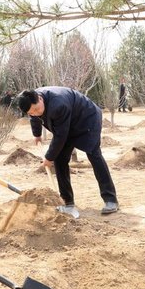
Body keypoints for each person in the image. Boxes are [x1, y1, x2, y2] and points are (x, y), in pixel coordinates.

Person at [17, 87, 119, 218]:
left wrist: (48, 157)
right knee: (60, 159)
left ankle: (110, 199)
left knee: (94, 155)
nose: (36, 113)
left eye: (37, 109)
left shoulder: (58, 104)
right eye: (32, 112)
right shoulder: (32, 102)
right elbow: (35, 118)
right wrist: (36, 134)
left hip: (86, 119)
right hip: (67, 124)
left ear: (40, 98)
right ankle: (67, 201)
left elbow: (60, 136)